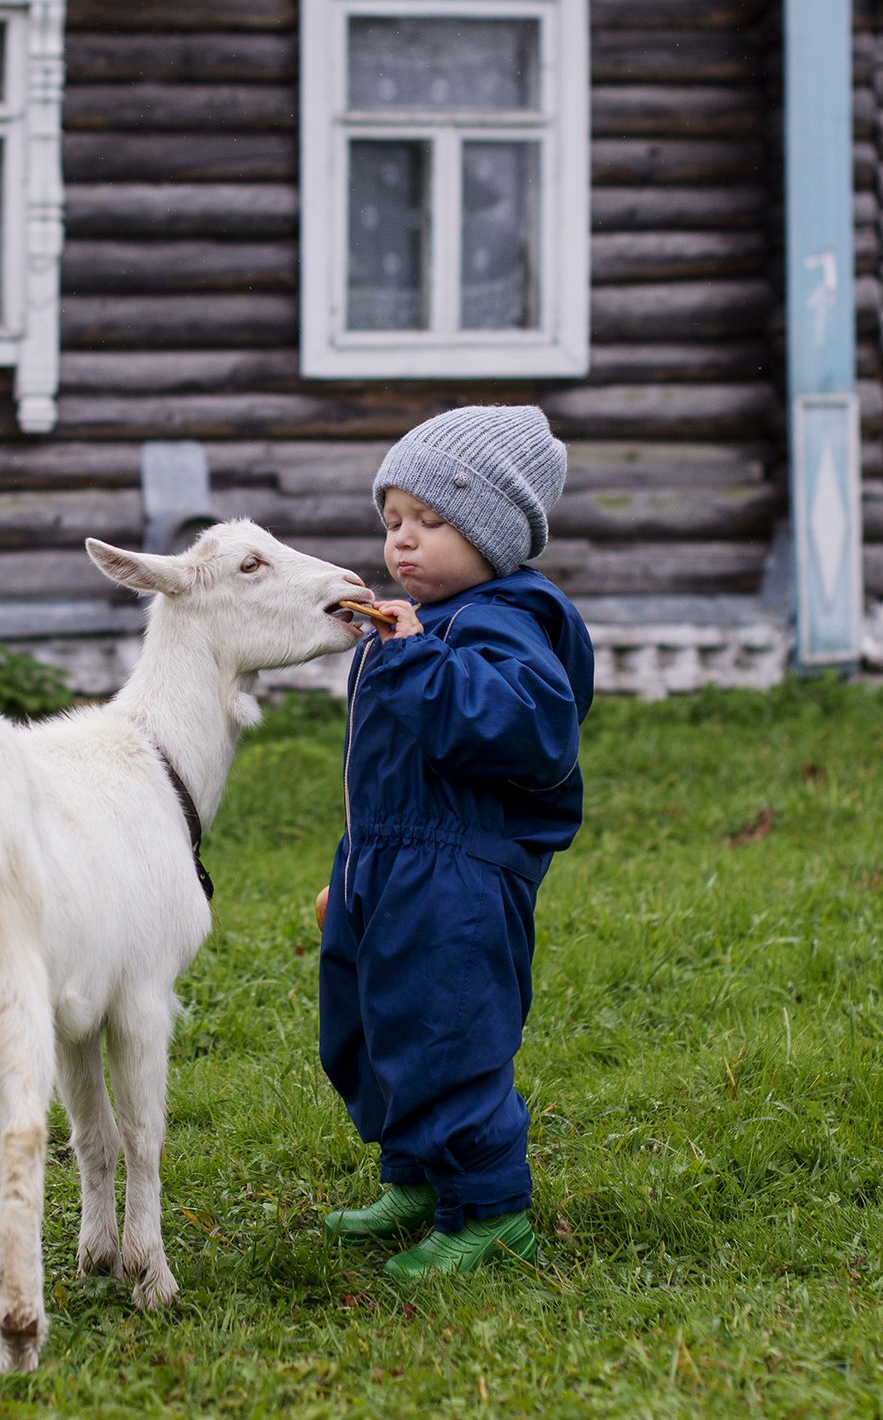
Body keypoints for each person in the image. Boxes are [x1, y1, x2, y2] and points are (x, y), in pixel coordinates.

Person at [318, 404, 595, 1278]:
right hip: (394, 862)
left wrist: (415, 660)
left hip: (461, 876)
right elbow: (390, 766)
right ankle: (418, 1175)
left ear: (495, 533)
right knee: (376, 1023)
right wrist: (357, 868)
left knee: (448, 1030)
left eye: (432, 522)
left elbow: (528, 730)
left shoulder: (503, 620)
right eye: (394, 519)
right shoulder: (423, 624)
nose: (404, 541)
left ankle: (489, 1209)